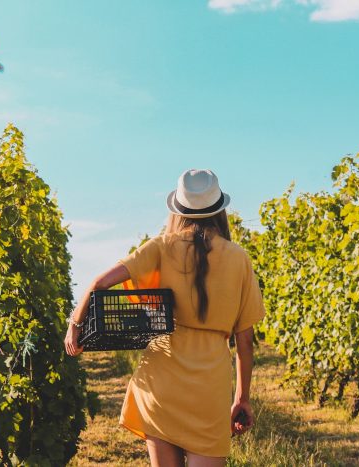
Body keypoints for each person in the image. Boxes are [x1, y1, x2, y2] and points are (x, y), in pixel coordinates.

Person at [65, 169, 265, 467]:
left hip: (161, 382)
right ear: (218, 209)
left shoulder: (161, 245)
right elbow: (245, 342)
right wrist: (241, 399)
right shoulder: (239, 258)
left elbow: (99, 283)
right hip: (208, 390)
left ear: (180, 209)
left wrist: (75, 326)